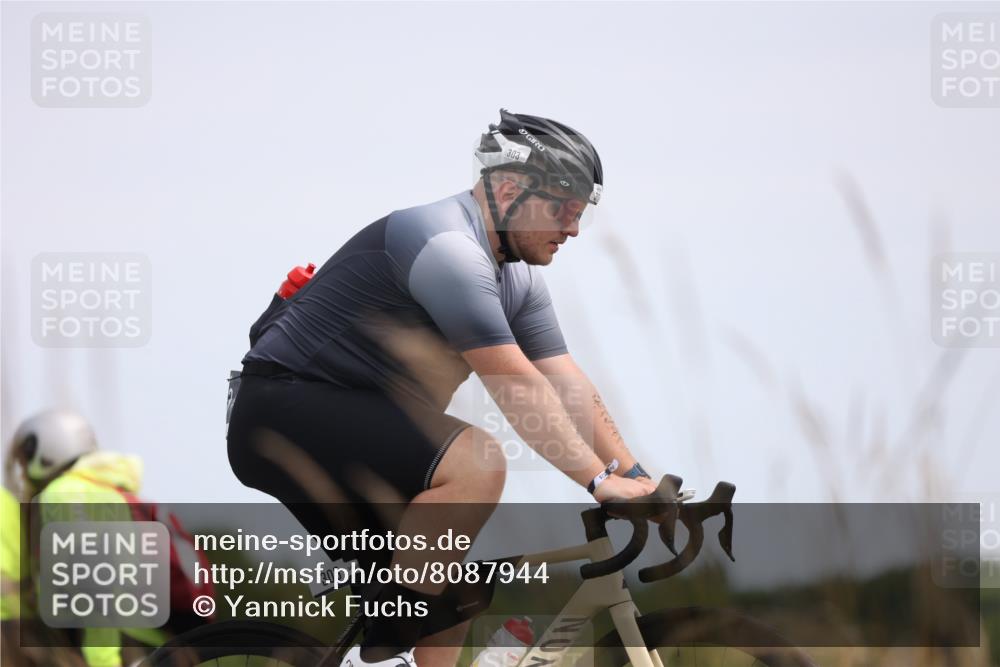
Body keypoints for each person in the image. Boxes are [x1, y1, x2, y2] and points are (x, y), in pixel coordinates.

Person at [227, 109, 657, 667]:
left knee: (453, 595)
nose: (573, 229)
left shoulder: (518, 278)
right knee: (478, 460)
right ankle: (380, 661)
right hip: (284, 411)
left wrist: (635, 477)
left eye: (581, 214)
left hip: (351, 428)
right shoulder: (447, 248)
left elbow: (564, 379)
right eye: (563, 209)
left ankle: (389, 652)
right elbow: (515, 384)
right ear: (510, 190)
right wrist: (598, 481)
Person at [6, 409, 169, 667]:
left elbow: (94, 584)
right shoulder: (108, 489)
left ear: (46, 452)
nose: (23, 474)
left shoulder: (63, 493)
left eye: (26, 459)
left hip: (116, 643)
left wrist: (103, 661)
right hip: (153, 635)